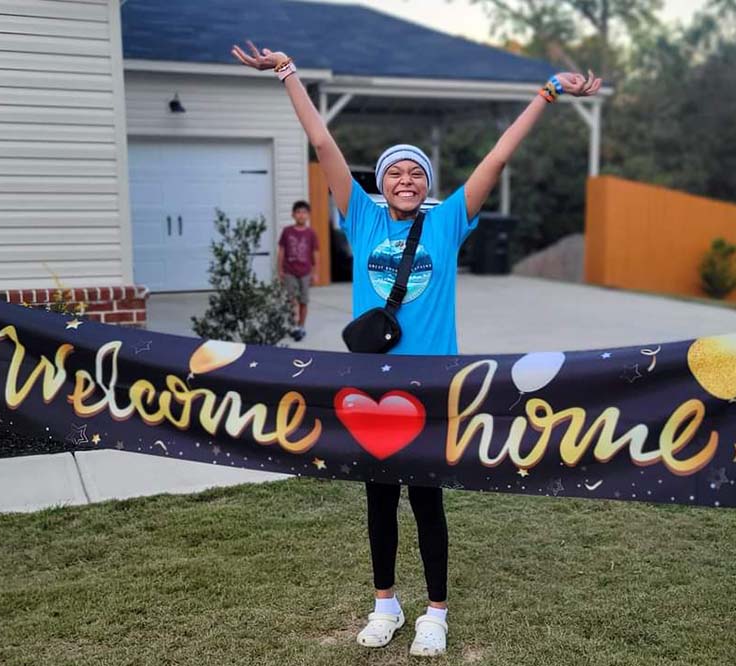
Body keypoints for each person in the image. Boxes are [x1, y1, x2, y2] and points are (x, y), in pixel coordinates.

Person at [232, 40, 601, 657]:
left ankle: (436, 611)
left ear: (427, 185)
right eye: (394, 172)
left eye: (416, 172)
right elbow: (324, 145)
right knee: (378, 502)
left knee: (427, 501)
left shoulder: (449, 221)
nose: (405, 180)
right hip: (369, 385)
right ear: (380, 184)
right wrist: (288, 73)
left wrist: (549, 93)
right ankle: (385, 604)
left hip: (431, 387)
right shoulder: (363, 219)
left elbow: (497, 156)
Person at [278, 200, 319, 341]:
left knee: (304, 301)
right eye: (298, 212)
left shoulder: (311, 233)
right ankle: (294, 325)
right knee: (292, 300)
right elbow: (281, 251)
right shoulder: (287, 231)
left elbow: (315, 253)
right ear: (293, 215)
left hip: (305, 272)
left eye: (304, 212)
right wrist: (280, 270)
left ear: (308, 215)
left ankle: (301, 326)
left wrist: (315, 273)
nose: (301, 215)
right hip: (289, 271)